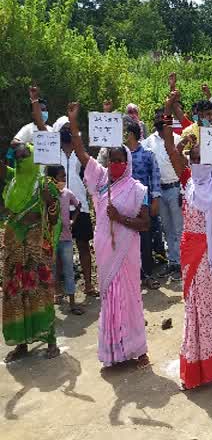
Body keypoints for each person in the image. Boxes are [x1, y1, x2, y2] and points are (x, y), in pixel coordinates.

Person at [67, 102, 150, 369]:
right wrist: (74, 123)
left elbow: (145, 223)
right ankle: (114, 351)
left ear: (127, 163)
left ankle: (137, 349)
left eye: (120, 161)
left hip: (127, 252)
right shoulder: (101, 181)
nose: (115, 164)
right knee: (110, 298)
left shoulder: (137, 189)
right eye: (112, 160)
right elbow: (81, 154)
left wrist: (122, 219)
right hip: (105, 248)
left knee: (130, 297)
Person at [160, 121, 212, 394]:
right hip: (191, 258)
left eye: (201, 159)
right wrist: (174, 121)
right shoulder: (189, 185)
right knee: (194, 313)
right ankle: (196, 369)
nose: (196, 163)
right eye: (192, 160)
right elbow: (172, 152)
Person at [1, 93, 61, 362]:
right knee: (16, 295)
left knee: (39, 291)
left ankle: (50, 340)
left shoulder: (43, 184)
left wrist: (47, 209)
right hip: (15, 251)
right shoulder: (13, 182)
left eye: (24, 153)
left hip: (36, 250)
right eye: (18, 154)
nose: (20, 156)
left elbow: (54, 215)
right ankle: (21, 343)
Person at [51, 113, 98, 297]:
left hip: (80, 206)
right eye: (63, 129)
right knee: (59, 250)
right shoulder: (52, 154)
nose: (66, 132)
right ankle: (58, 290)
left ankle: (88, 285)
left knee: (84, 245)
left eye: (69, 129)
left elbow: (91, 174)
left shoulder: (80, 153)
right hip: (58, 206)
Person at [142, 107, 184, 281]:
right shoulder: (148, 142)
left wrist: (182, 189)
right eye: (157, 116)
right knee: (167, 229)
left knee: (180, 228)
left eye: (163, 116)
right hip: (159, 192)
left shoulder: (177, 139)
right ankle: (173, 262)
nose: (160, 119)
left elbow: (183, 166)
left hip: (175, 188)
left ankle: (183, 263)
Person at [124, 120, 162, 289]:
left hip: (144, 204)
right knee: (127, 240)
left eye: (125, 132)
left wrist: (155, 200)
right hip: (124, 203)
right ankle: (131, 276)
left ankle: (147, 274)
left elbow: (154, 178)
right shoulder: (121, 154)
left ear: (131, 134)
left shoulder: (147, 154)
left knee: (146, 240)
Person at [48, 165, 83, 315]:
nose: (64, 179)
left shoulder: (67, 194)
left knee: (69, 270)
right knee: (54, 269)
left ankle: (72, 303)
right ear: (53, 178)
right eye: (62, 177)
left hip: (66, 238)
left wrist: (72, 220)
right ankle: (57, 294)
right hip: (51, 239)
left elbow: (79, 204)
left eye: (64, 177)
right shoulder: (48, 195)